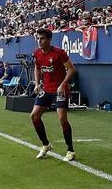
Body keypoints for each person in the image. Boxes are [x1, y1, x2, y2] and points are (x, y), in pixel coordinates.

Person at [31, 28, 77, 162]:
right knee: (34, 116)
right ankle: (46, 145)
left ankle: (70, 150)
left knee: (62, 119)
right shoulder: (37, 53)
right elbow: (37, 67)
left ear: (49, 39)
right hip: (46, 88)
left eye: (42, 38)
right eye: (38, 38)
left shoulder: (59, 53)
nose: (39, 41)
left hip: (59, 90)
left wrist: (63, 85)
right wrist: (37, 83)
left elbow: (72, 69)